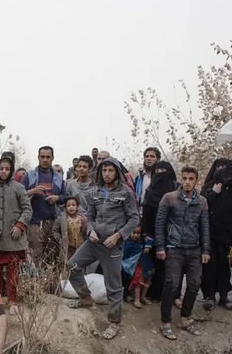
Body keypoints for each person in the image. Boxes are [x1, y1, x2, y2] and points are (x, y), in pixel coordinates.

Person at [65, 157, 140, 340]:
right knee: (72, 266)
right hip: (94, 241)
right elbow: (89, 216)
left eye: (110, 171)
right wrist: (90, 231)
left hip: (112, 245)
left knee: (113, 285)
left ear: (117, 173)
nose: (107, 174)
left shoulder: (126, 192)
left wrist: (118, 236)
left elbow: (134, 219)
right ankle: (86, 298)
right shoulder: (95, 192)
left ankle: (114, 322)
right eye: (104, 170)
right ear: (99, 172)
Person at [155, 167, 210, 339]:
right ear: (181, 179)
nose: (187, 182)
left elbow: (205, 227)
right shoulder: (169, 198)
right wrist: (160, 247)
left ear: (196, 181)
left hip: (194, 248)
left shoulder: (201, 201)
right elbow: (160, 223)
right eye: (184, 178)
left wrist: (206, 249)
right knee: (171, 284)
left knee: (194, 284)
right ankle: (165, 321)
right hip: (174, 247)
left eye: (191, 179)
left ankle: (185, 318)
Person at [0, 153, 32, 310]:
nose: (4, 171)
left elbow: (27, 209)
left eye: (7, 169)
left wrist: (19, 225)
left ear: (11, 171)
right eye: (2, 168)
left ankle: (12, 301)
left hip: (13, 238)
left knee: (13, 273)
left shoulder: (19, 188)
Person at [200, 158, 232, 311]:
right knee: (210, 266)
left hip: (228, 234)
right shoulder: (208, 186)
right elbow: (201, 206)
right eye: (219, 167)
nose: (222, 171)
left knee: (225, 266)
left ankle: (224, 296)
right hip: (209, 234)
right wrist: (213, 193)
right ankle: (210, 296)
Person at [22, 146, 66, 266]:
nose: (45, 159)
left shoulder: (58, 177)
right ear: (38, 158)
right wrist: (32, 191)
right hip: (34, 222)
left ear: (52, 158)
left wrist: (57, 198)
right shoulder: (29, 175)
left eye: (48, 157)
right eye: (42, 157)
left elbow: (66, 197)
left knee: (52, 255)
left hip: (53, 222)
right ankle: (36, 283)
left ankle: (51, 283)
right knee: (35, 255)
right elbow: (19, 195)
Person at [142, 161, 179, 300]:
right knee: (153, 265)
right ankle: (153, 293)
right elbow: (146, 211)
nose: (160, 174)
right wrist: (145, 233)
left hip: (172, 233)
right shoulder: (149, 191)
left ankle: (173, 295)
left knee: (171, 266)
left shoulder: (177, 189)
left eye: (164, 170)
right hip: (152, 234)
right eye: (158, 171)